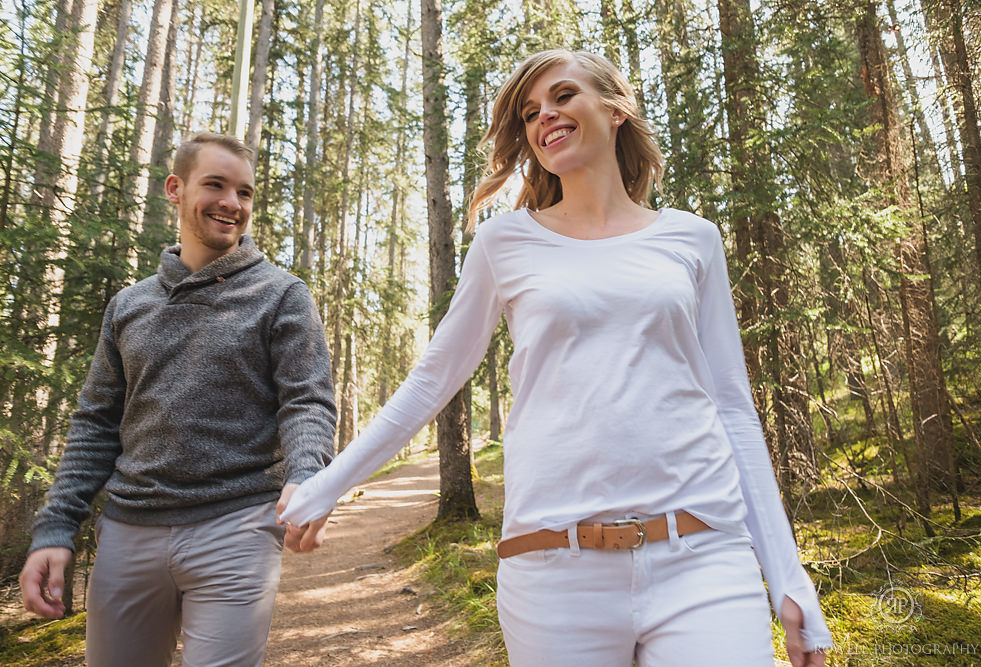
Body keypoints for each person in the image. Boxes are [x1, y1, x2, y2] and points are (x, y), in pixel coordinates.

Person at [281, 49, 832, 666]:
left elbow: (731, 405)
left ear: (616, 108)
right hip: (553, 571)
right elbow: (434, 378)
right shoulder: (504, 242)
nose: (545, 116)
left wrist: (787, 576)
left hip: (702, 554)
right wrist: (330, 483)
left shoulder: (692, 237)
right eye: (530, 111)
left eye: (563, 96)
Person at [19, 132, 337, 667]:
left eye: (245, 192)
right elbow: (97, 423)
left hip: (236, 527)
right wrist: (55, 528)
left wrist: (307, 474)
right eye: (215, 185)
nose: (232, 203)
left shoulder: (282, 294)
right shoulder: (129, 305)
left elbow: (306, 401)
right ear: (175, 188)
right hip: (127, 533)